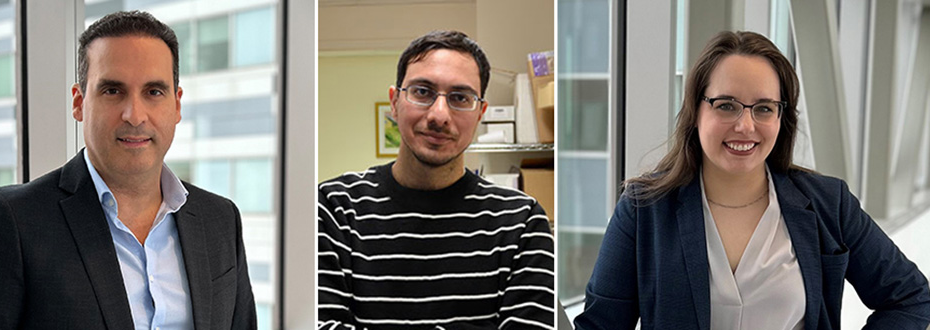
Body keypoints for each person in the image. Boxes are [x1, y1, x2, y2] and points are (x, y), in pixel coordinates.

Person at [574, 31, 930, 330]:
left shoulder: (828, 202)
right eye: (726, 105)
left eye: (764, 108)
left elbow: (911, 298)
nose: (745, 126)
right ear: (696, 111)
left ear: (781, 117)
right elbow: (600, 326)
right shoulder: (644, 208)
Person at [0, 11, 256, 329]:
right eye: (112, 91)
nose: (134, 115)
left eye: (153, 92)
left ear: (176, 105)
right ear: (79, 102)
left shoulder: (220, 220)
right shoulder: (15, 221)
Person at [317, 30, 555, 329]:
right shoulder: (333, 208)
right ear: (395, 102)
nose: (439, 115)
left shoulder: (522, 221)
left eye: (460, 98)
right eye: (422, 92)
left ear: (480, 113)